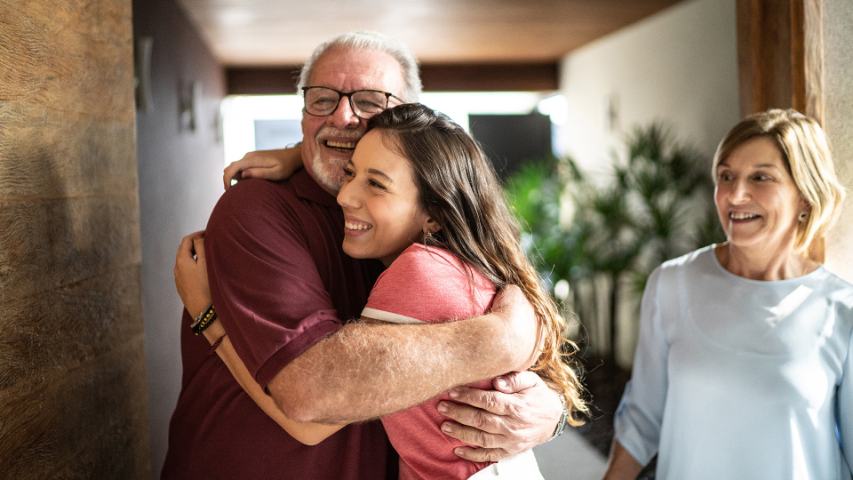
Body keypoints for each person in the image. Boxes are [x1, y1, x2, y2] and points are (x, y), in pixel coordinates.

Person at [163, 31, 567, 479]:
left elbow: (514, 367)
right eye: (321, 99)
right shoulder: (256, 211)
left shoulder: (428, 252)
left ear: (409, 119)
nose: (343, 115)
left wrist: (550, 412)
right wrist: (501, 339)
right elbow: (311, 398)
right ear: (302, 116)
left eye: (371, 101)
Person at [603, 109, 852, 480]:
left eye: (761, 177)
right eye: (726, 176)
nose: (736, 195)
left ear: (804, 196)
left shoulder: (840, 308)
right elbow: (641, 422)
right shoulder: (672, 284)